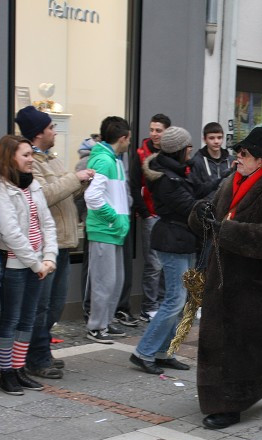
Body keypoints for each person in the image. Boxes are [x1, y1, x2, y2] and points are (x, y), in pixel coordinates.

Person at [188, 126, 262, 429]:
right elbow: (210, 214)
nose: (238, 157)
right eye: (238, 152)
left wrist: (226, 231)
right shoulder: (230, 182)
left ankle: (230, 403)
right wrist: (201, 214)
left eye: (245, 154)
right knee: (225, 339)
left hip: (256, 283)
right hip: (223, 277)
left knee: (242, 344)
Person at [15, 106, 94, 379]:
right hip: (44, 246)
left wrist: (81, 184)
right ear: (38, 133)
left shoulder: (52, 159)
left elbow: (63, 192)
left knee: (55, 303)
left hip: (61, 243)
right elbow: (43, 196)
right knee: (41, 304)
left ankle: (41, 350)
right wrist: (75, 179)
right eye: (50, 127)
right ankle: (34, 357)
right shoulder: (30, 162)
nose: (54, 131)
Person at [0, 135, 57, 395]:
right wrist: (35, 263)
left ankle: (19, 369)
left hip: (38, 263)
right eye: (26, 155)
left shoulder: (33, 184)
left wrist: (49, 257)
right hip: (16, 263)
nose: (31, 159)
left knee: (28, 318)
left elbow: (47, 223)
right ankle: (6, 373)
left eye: (31, 154)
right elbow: (10, 232)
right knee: (11, 318)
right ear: (10, 157)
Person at [130, 126, 197, 375]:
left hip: (184, 240)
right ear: (179, 149)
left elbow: (198, 194)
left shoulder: (176, 171)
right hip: (173, 240)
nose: (191, 149)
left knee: (179, 300)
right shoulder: (167, 177)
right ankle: (144, 352)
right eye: (188, 146)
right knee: (174, 300)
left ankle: (164, 353)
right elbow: (191, 205)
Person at [85, 116, 132, 343]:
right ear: (123, 138)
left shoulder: (114, 160)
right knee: (104, 282)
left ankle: (106, 322)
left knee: (114, 281)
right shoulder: (105, 161)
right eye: (129, 138)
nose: (129, 142)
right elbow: (92, 197)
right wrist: (114, 218)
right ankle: (96, 326)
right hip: (105, 229)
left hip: (114, 231)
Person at [129, 113, 171, 323]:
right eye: (152, 129)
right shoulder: (141, 153)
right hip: (151, 215)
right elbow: (134, 185)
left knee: (167, 262)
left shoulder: (172, 151)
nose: (154, 134)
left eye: (158, 130)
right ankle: (149, 307)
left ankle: (164, 304)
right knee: (153, 264)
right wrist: (144, 212)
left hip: (169, 216)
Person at [188, 122, 234, 200]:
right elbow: (195, 190)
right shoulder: (197, 161)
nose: (216, 141)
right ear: (204, 139)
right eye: (211, 138)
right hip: (206, 207)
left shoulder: (231, 160)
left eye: (219, 137)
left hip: (226, 206)